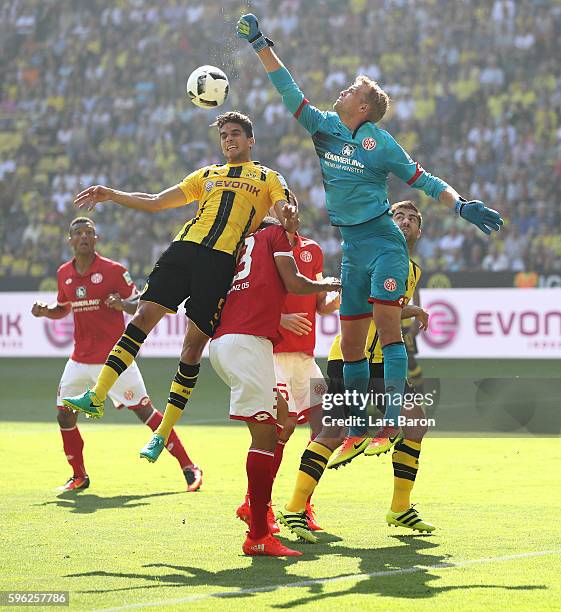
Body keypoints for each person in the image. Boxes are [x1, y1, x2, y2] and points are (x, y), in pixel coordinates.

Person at [236, 14, 503, 467]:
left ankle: (393, 419)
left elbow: (425, 180)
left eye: (350, 91)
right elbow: (288, 92)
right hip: (352, 250)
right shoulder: (323, 126)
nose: (340, 93)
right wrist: (261, 44)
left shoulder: (382, 144)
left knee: (387, 325)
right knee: (353, 345)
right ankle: (360, 426)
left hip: (384, 242)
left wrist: (461, 204)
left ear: (363, 107)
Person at [62, 112, 295, 460]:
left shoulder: (267, 177)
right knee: (141, 317)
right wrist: (112, 194)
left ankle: (162, 433)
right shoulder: (207, 175)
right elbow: (158, 201)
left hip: (219, 264)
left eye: (235, 134)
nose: (229, 139)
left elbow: (285, 212)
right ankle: (96, 396)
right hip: (184, 250)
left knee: (191, 350)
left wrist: (287, 214)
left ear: (251, 140)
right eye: (224, 135)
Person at [276, 201, 433, 542]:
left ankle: (400, 507)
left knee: (415, 420)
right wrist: (411, 309)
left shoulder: (411, 269)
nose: (405, 221)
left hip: (382, 360)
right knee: (332, 433)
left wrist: (409, 309)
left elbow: (388, 311)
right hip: (352, 358)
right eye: (398, 216)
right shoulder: (370, 254)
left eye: (412, 219)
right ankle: (293, 508)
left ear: (419, 232)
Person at [32, 217, 201, 492]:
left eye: (89, 232)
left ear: (96, 238)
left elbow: (139, 304)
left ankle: (189, 467)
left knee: (145, 412)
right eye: (78, 233)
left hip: (115, 358)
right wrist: (45, 310)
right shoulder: (64, 272)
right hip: (79, 359)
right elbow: (63, 307)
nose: (84, 236)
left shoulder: (113, 270)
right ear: (70, 240)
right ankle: (79, 476)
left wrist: (121, 303)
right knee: (64, 414)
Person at [269, 220, 340, 532]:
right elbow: (249, 298)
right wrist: (280, 318)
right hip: (273, 355)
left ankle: (302, 504)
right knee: (278, 431)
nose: (287, 209)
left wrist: (334, 294)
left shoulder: (312, 249)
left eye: (291, 202)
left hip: (305, 358)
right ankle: (258, 504)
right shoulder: (263, 248)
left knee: (328, 427)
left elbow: (321, 306)